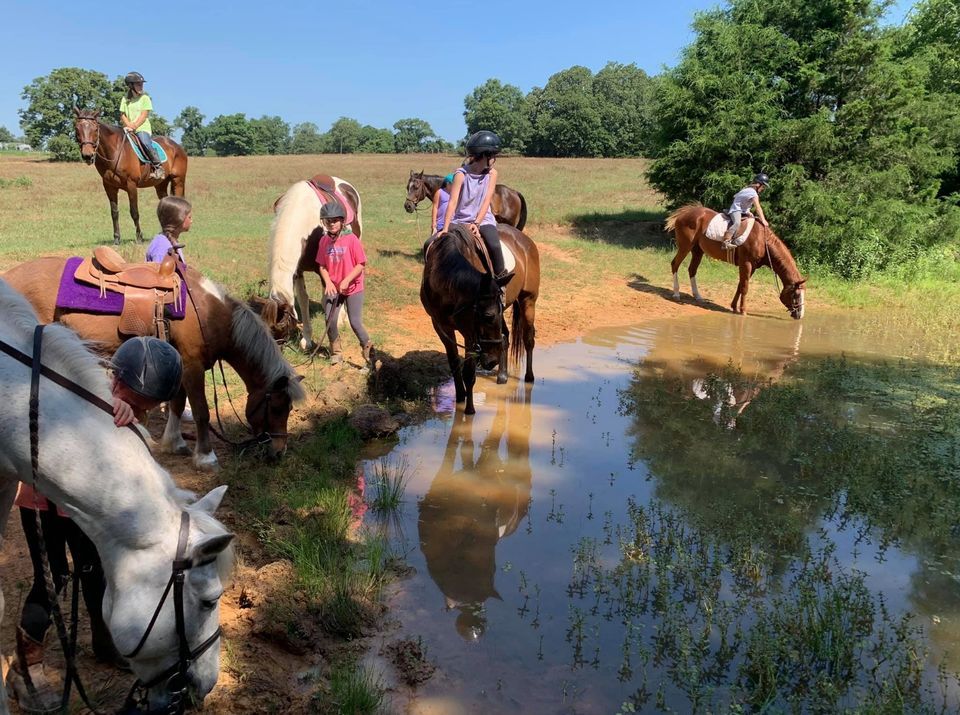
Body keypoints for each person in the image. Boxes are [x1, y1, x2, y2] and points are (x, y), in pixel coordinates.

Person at [11, 338, 183, 711]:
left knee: (95, 571)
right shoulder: (78, 386)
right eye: (136, 405)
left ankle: (105, 645)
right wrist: (102, 407)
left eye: (147, 410)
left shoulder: (127, 399)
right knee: (52, 576)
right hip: (44, 496)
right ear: (117, 380)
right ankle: (27, 665)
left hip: (86, 505)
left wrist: (127, 414)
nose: (138, 414)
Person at [440, 130, 513, 291]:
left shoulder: (492, 174)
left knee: (494, 245)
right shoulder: (461, 174)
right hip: (459, 220)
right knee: (432, 244)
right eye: (493, 155)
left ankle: (500, 284)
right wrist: (444, 228)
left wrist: (477, 223)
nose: (494, 159)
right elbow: (452, 202)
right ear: (486, 156)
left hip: (483, 219)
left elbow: (487, 200)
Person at [316, 202, 374, 368]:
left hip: (353, 287)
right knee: (329, 319)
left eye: (335, 220)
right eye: (328, 221)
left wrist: (347, 280)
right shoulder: (324, 241)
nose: (331, 223)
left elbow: (361, 264)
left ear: (342, 221)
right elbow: (322, 265)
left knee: (355, 321)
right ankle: (336, 353)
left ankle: (371, 356)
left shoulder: (351, 240)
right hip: (334, 287)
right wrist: (328, 282)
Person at [119, 71, 165, 180]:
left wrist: (133, 126)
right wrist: (128, 125)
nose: (141, 86)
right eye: (138, 84)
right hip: (128, 129)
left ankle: (158, 167)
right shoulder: (125, 99)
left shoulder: (145, 98)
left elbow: (144, 115)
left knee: (145, 142)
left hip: (142, 128)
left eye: (142, 84)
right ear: (131, 86)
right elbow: (122, 115)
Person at [721, 173, 770, 250]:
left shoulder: (748, 189)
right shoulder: (753, 193)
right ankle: (726, 241)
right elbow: (758, 207)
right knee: (737, 223)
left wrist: (747, 211)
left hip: (742, 211)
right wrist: (763, 220)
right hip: (736, 210)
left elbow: (740, 199)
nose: (763, 189)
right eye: (763, 186)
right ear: (758, 184)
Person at [146, 195, 192, 264]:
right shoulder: (161, 246)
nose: (191, 221)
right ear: (178, 219)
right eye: (189, 217)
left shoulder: (171, 241)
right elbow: (159, 272)